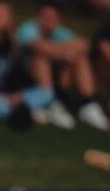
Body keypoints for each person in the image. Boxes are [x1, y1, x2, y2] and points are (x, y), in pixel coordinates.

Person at [16, 0, 109, 130]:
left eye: (53, 17)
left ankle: (87, 104)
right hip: (26, 79)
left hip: (58, 77)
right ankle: (50, 103)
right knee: (41, 59)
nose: (50, 20)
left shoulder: (59, 32)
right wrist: (64, 52)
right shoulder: (28, 28)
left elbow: (83, 45)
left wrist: (59, 51)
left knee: (80, 59)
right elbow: (38, 47)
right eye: (47, 16)